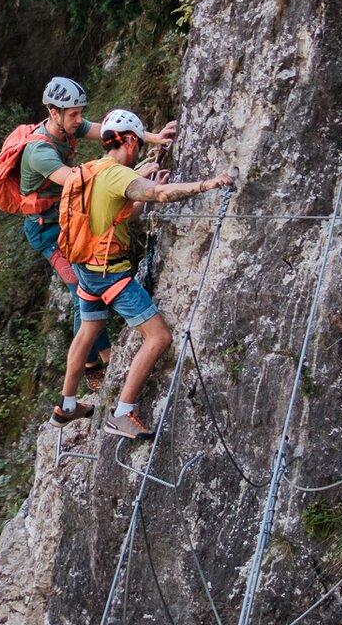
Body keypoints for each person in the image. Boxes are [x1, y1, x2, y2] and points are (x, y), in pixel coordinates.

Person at [51, 109, 234, 437]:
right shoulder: (119, 175)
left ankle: (66, 405)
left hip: (86, 268)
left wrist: (146, 192)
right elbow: (160, 194)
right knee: (159, 336)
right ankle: (122, 412)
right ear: (132, 140)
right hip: (110, 274)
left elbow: (123, 213)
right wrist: (209, 183)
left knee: (88, 331)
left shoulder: (93, 170)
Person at [19, 77, 175, 387]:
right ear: (53, 112)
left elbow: (107, 130)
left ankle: (98, 357)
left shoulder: (67, 126)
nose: (80, 120)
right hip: (47, 231)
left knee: (87, 290)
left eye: (80, 113)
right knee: (81, 291)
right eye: (74, 114)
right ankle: (99, 363)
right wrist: (131, 176)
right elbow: (82, 181)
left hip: (71, 222)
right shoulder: (39, 152)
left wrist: (154, 138)